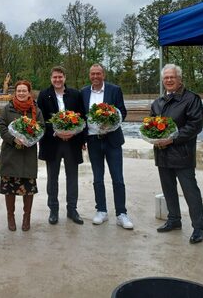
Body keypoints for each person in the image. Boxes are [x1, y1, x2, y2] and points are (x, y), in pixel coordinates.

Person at [152, 64, 203, 244]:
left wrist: (173, 139)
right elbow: (152, 125)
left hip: (182, 154)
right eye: (166, 78)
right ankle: (174, 220)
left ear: (179, 79)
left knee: (190, 192)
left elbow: (194, 126)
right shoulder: (158, 103)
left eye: (172, 77)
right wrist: (153, 137)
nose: (168, 80)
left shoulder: (191, 99)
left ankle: (198, 227)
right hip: (162, 154)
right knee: (168, 190)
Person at [81, 63, 134, 229]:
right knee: (98, 178)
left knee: (118, 178)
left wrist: (110, 123)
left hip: (112, 140)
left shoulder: (114, 90)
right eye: (92, 74)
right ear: (89, 76)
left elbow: (122, 112)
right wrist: (82, 139)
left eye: (98, 74)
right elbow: (82, 116)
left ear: (103, 75)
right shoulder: (83, 92)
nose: (95, 77)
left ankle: (121, 214)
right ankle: (101, 211)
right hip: (93, 140)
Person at [37, 66, 85, 225]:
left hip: (72, 142)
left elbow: (82, 117)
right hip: (52, 142)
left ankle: (72, 209)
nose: (57, 80)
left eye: (60, 77)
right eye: (54, 77)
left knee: (72, 178)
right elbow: (41, 120)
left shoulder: (75, 94)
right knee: (52, 178)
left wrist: (75, 134)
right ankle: (54, 210)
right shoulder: (44, 95)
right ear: (51, 78)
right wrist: (57, 132)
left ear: (65, 77)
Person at [0, 80, 45, 232]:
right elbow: (1, 126)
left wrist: (30, 139)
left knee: (28, 189)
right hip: (10, 153)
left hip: (27, 154)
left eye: (25, 90)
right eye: (19, 91)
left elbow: (42, 128)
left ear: (29, 93)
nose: (22, 93)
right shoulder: (7, 108)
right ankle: (10, 217)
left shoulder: (36, 110)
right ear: (15, 92)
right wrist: (13, 139)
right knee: (9, 189)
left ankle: (26, 217)